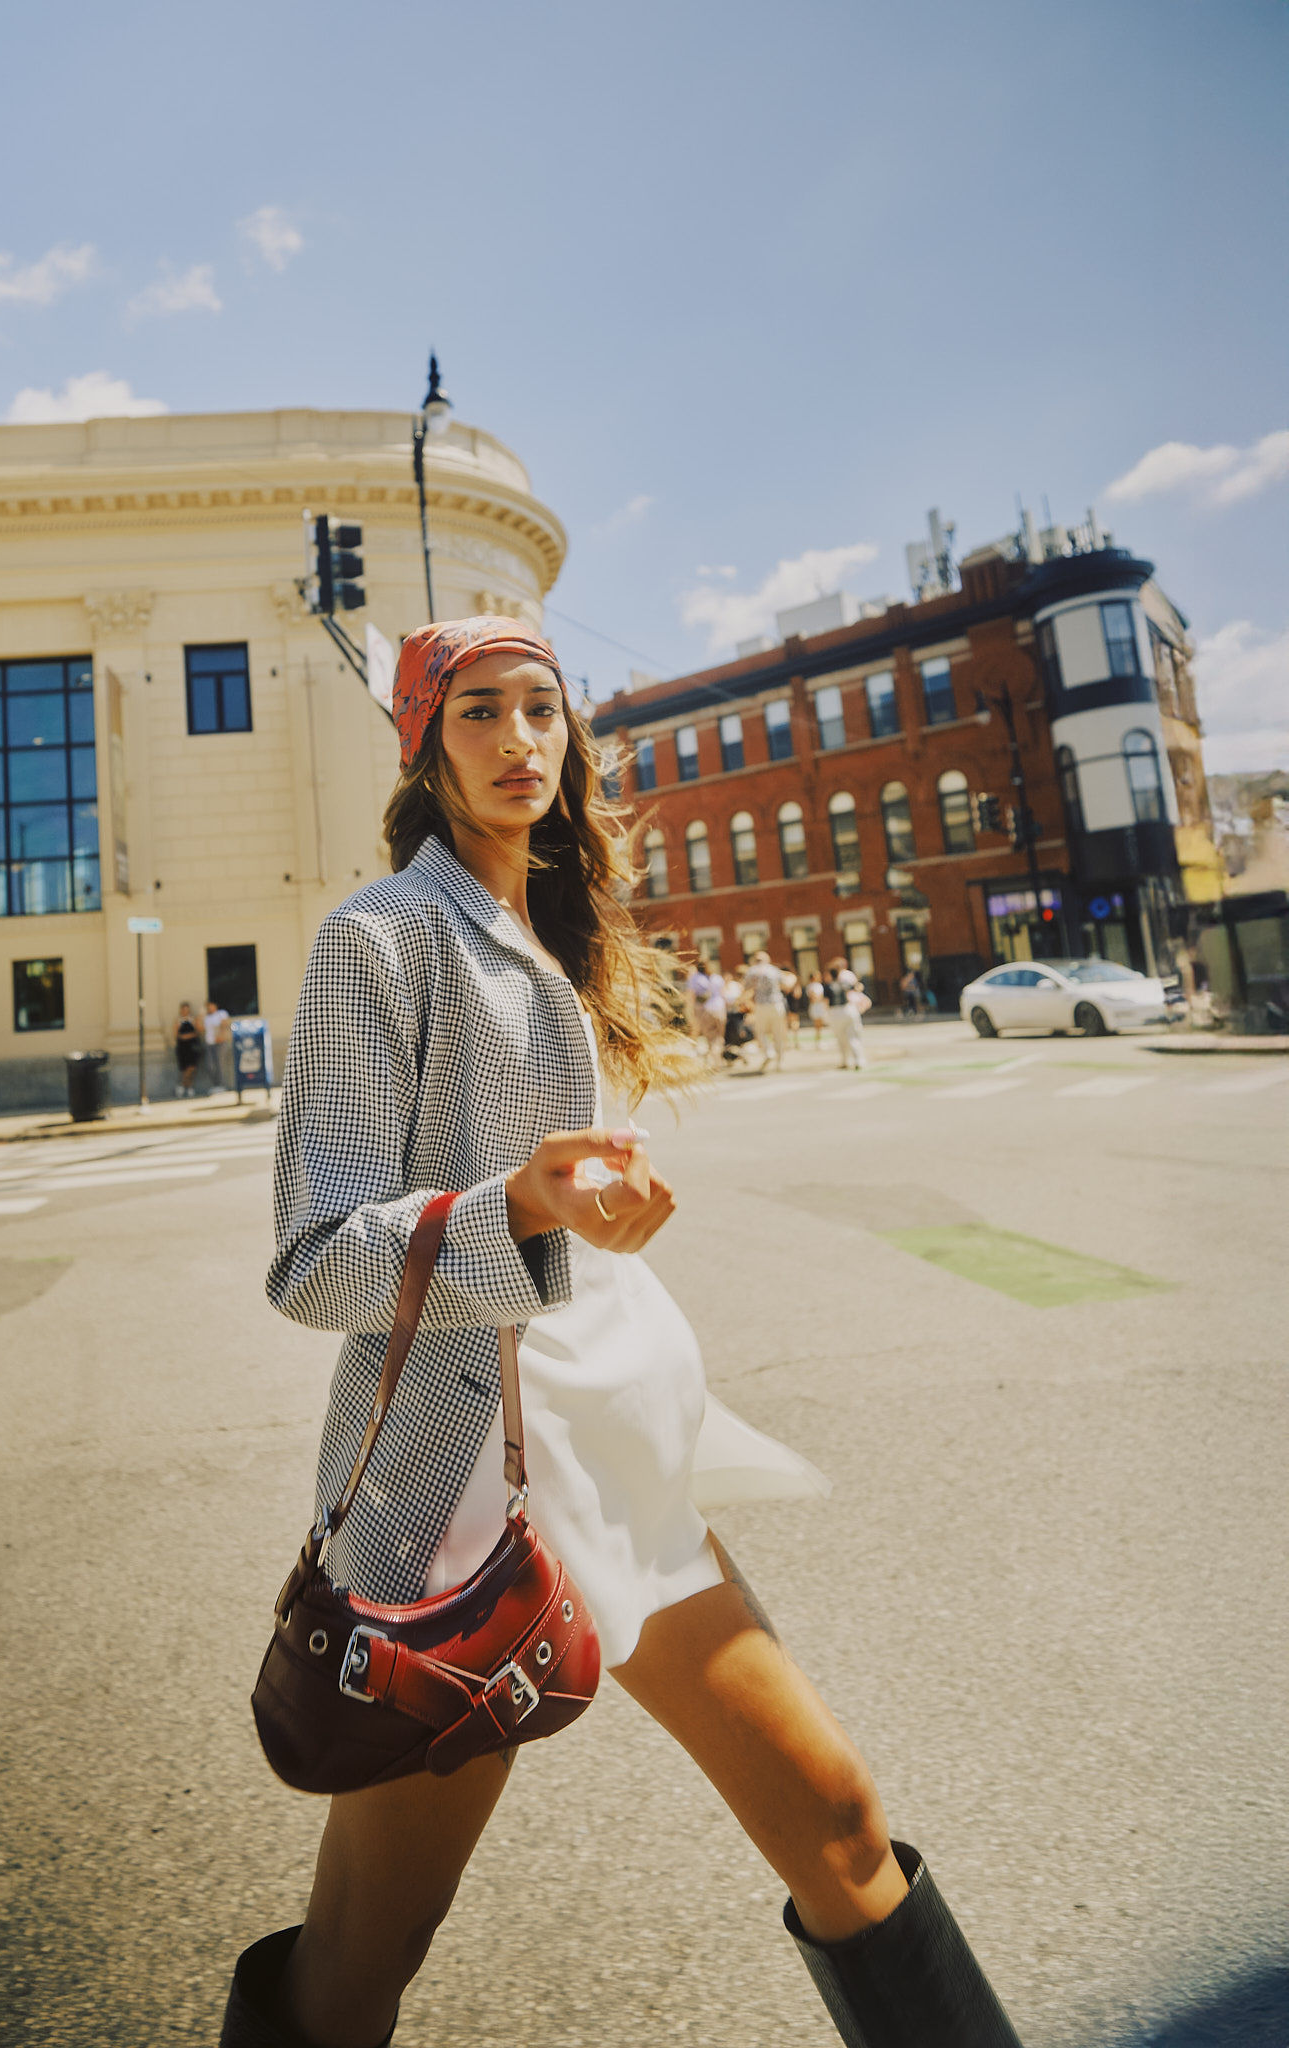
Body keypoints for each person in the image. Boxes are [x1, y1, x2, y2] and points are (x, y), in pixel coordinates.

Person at [220, 616, 1022, 2048]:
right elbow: (309, 1263)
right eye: (477, 712)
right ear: (422, 741)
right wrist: (511, 1207)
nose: (519, 740)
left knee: (838, 1826)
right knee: (360, 1959)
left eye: (541, 709)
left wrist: (574, 1203)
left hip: (627, 1481)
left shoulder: (555, 924)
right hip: (465, 1506)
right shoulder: (379, 939)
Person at [741, 949, 794, 1071]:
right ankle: (780, 1061)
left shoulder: (752, 971)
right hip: (777, 1004)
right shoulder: (773, 970)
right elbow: (787, 985)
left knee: (760, 1031)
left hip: (761, 1005)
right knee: (779, 1033)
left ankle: (768, 1052)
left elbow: (745, 987)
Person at [826, 954, 869, 1071]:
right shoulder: (846, 982)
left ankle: (846, 1060)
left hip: (835, 1012)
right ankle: (859, 1060)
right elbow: (858, 988)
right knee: (853, 1036)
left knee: (841, 1038)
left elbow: (825, 1001)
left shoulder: (828, 986)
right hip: (848, 1010)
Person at [685, 959, 728, 1065]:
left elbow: (691, 995)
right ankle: (718, 1059)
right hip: (720, 1009)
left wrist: (690, 1011)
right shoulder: (717, 978)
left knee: (711, 1036)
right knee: (719, 1036)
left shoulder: (695, 978)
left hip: (706, 1010)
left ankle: (716, 1061)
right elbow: (724, 994)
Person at [201, 997, 231, 1095]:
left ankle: (221, 1085)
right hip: (209, 1043)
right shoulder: (206, 1017)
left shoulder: (221, 1013)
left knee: (219, 1064)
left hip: (220, 1043)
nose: (209, 1008)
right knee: (209, 1065)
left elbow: (225, 1024)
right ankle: (215, 1084)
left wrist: (221, 1036)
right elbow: (200, 1028)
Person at [173, 1001, 202, 1098]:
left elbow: (198, 1031)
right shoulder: (178, 1021)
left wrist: (187, 1036)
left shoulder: (192, 1020)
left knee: (192, 1067)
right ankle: (186, 1086)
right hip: (182, 1047)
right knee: (185, 1068)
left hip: (192, 1047)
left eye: (187, 1009)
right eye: (183, 1009)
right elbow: (177, 1035)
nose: (185, 1011)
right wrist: (187, 1036)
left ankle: (184, 1086)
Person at [806, 970, 829, 1049]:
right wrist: (821, 998)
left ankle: (819, 1041)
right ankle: (818, 1042)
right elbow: (813, 998)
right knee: (817, 1025)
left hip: (820, 1006)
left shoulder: (819, 985)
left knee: (820, 1025)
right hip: (816, 1007)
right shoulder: (811, 986)